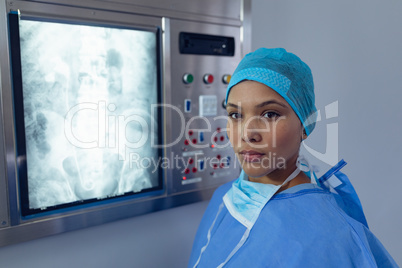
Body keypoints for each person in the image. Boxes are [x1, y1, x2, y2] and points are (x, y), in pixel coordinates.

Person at [188, 48, 397, 267]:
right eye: (236, 115)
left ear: (304, 125)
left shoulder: (331, 236)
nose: (247, 134)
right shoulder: (226, 198)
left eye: (270, 114)